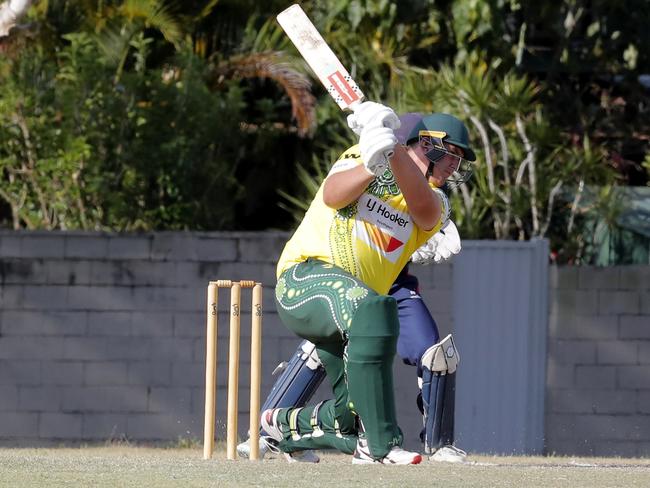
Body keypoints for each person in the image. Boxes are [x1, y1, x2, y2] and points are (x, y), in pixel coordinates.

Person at [237, 113, 469, 464]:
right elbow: (332, 195)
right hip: (306, 277)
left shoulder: (437, 200)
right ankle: (382, 445)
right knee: (370, 309)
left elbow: (423, 211)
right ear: (426, 144)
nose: (454, 165)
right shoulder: (362, 155)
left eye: (458, 158)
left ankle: (282, 427)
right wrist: (373, 163)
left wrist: (392, 153)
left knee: (350, 417)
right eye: (450, 152)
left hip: (360, 308)